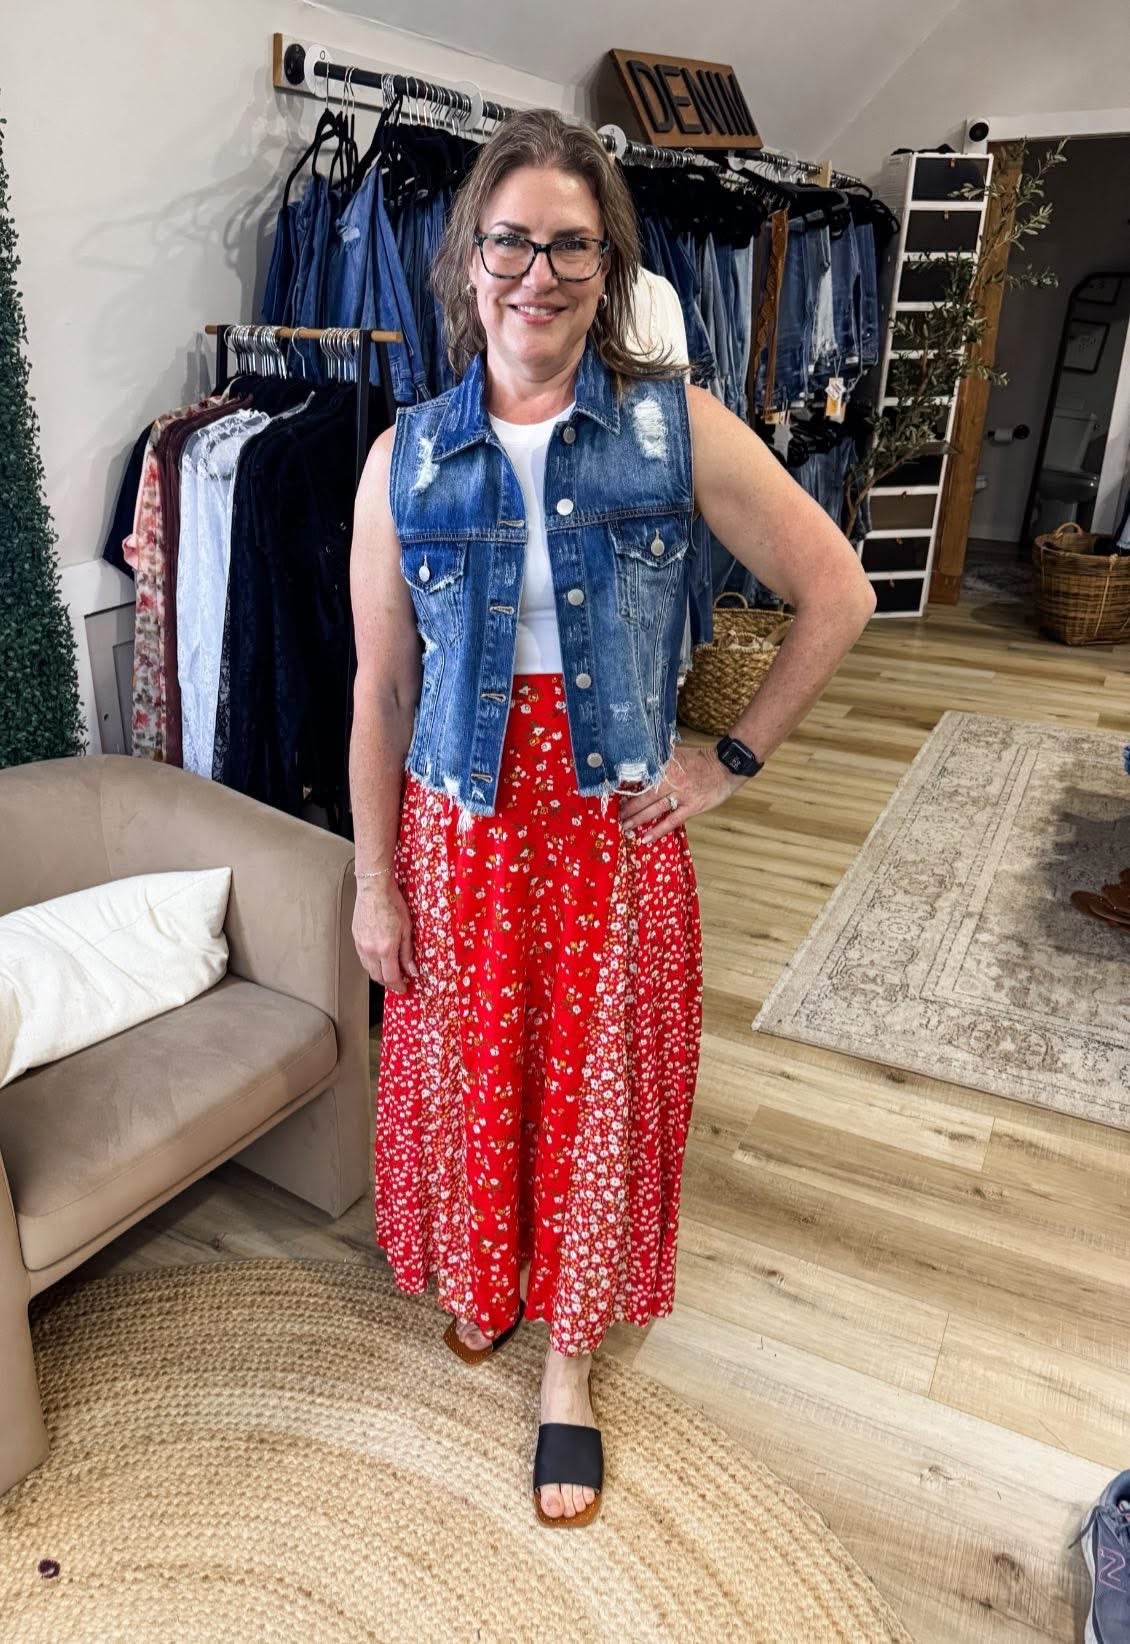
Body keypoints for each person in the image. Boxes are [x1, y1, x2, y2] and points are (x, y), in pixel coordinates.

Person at [348, 109, 875, 1528]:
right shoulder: (404, 458)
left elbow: (837, 592)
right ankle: (489, 1278)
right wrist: (373, 882)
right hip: (458, 830)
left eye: (571, 246)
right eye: (511, 242)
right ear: (467, 260)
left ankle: (568, 1367)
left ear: (609, 267)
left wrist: (730, 759)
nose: (539, 273)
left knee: (590, 1091)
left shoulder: (668, 429)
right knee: (475, 1069)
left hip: (607, 831)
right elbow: (381, 689)